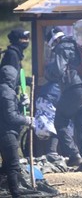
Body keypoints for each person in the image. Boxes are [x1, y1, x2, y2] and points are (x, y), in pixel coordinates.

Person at [44, 34, 82, 171]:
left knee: (60, 122)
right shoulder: (79, 44)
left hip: (73, 89)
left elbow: (58, 71)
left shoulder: (62, 46)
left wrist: (48, 71)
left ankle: (74, 154)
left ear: (55, 40)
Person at [0, 65, 34, 198]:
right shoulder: (7, 92)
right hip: (7, 133)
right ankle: (16, 194)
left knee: (7, 165)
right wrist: (27, 120)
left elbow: (8, 112)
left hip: (3, 131)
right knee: (13, 166)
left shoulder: (4, 90)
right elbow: (10, 117)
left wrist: (21, 104)